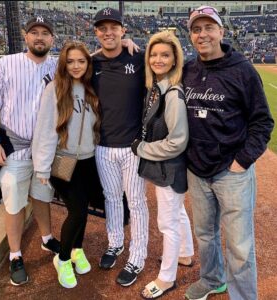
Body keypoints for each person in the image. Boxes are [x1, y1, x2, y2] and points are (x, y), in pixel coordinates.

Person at [182, 6, 274, 300]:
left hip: (231, 172)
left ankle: (244, 296)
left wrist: (241, 162)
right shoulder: (188, 69)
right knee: (206, 235)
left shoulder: (243, 69)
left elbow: (262, 121)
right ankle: (212, 280)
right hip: (197, 170)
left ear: (222, 31)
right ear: (191, 36)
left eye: (209, 27)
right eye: (196, 29)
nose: (203, 34)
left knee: (240, 245)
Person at [0, 16, 60, 286]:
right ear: (25, 36)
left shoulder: (58, 65)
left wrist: (125, 41)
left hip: (44, 150)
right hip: (14, 146)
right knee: (14, 202)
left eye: (45, 33)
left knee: (42, 195)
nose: (40, 37)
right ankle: (15, 255)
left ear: (52, 39)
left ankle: (47, 239)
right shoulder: (6, 64)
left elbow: (85, 60)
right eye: (34, 32)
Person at [131, 30, 194, 299]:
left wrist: (142, 148)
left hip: (170, 167)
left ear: (174, 58)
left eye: (165, 55)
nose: (158, 59)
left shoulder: (173, 93)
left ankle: (166, 279)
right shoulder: (158, 87)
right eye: (154, 54)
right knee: (177, 214)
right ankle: (185, 255)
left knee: (166, 223)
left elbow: (177, 142)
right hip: (167, 168)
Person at [32, 41, 100, 289]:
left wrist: (124, 41)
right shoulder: (55, 88)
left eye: (81, 61)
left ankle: (77, 250)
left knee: (83, 208)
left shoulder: (90, 87)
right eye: (70, 61)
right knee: (77, 211)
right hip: (64, 160)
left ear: (87, 63)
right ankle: (62, 259)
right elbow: (45, 129)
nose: (76, 66)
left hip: (88, 160)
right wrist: (42, 166)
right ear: (63, 63)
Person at [91, 7, 149, 287]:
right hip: (103, 146)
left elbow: (168, 58)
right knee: (111, 198)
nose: (108, 32)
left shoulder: (138, 56)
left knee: (136, 203)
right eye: (102, 28)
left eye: (113, 27)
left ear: (123, 30)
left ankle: (137, 256)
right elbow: (68, 65)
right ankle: (115, 243)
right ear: (96, 33)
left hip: (133, 147)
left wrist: (136, 45)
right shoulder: (92, 63)